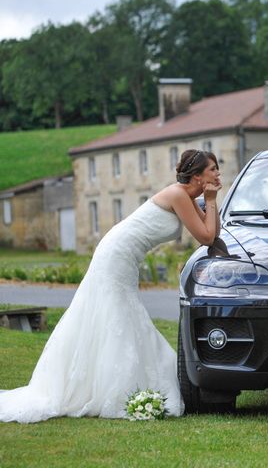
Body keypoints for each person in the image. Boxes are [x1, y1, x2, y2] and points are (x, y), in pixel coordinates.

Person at [0, 149, 222, 423]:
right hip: (116, 252)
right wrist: (210, 201)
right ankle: (111, 389)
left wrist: (211, 202)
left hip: (126, 255)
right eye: (213, 169)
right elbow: (207, 238)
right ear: (198, 176)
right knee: (116, 313)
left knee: (120, 313)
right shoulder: (178, 195)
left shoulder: (189, 199)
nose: (218, 173)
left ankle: (117, 383)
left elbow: (213, 232)